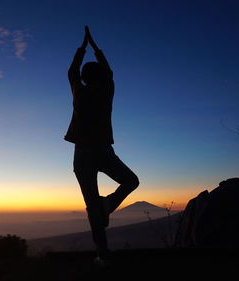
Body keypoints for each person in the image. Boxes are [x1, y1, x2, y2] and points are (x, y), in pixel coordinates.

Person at [65, 26, 139, 266]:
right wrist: (95, 47)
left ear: (85, 78)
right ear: (101, 77)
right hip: (103, 151)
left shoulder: (78, 92)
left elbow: (72, 71)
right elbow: (109, 71)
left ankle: (103, 252)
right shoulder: (107, 92)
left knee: (92, 206)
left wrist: (82, 48)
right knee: (130, 181)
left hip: (82, 154)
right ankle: (108, 206)